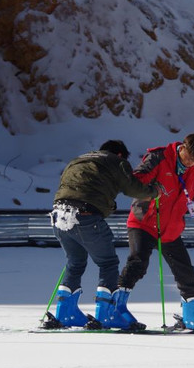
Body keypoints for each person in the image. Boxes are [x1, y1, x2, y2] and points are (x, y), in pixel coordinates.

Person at [115, 133, 194, 331]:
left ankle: (192, 313)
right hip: (144, 221)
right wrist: (151, 188)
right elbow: (136, 180)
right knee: (138, 262)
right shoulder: (159, 157)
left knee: (185, 271)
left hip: (170, 228)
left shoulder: (193, 170)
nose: (191, 163)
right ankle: (115, 307)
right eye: (189, 158)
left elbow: (193, 194)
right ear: (182, 148)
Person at [47, 140, 161, 329]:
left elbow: (83, 188)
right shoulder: (116, 161)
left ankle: (66, 312)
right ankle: (106, 314)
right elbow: (132, 188)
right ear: (120, 155)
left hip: (59, 216)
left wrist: (106, 204)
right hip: (85, 216)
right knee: (108, 263)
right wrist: (153, 192)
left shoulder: (78, 160)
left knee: (75, 263)